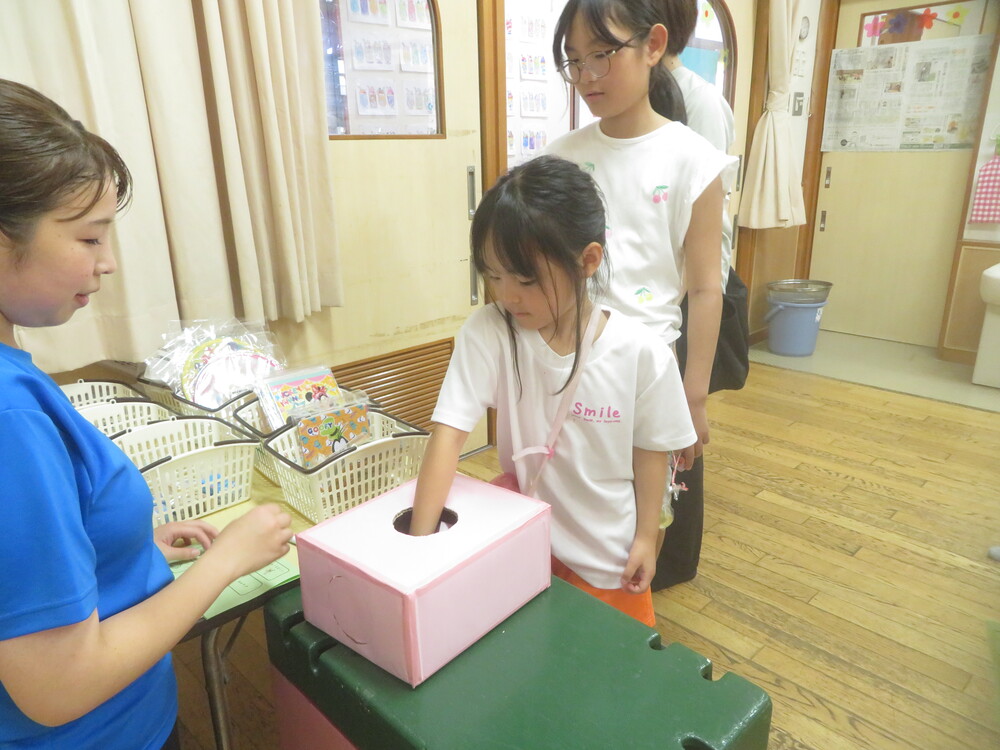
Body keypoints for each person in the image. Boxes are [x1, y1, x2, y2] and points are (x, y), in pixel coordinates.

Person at [0, 79, 294, 750]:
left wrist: (121, 551)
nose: (107, 264)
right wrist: (228, 561)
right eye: (88, 238)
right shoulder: (11, 416)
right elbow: (57, 686)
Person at [407, 155, 697, 627]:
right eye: (493, 276)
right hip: (522, 543)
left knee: (606, 662)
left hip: (606, 558)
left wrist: (647, 537)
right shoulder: (488, 332)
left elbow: (650, 453)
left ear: (587, 261)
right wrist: (419, 545)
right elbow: (448, 434)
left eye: (526, 279)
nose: (507, 296)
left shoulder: (640, 354)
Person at [544, 0, 738, 590]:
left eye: (601, 55)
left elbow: (705, 287)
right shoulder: (561, 157)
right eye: (574, 61)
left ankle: (636, 602)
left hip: (650, 365)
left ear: (653, 45)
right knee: (579, 498)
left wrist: (694, 395)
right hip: (572, 358)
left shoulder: (693, 159)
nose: (586, 77)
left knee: (646, 510)